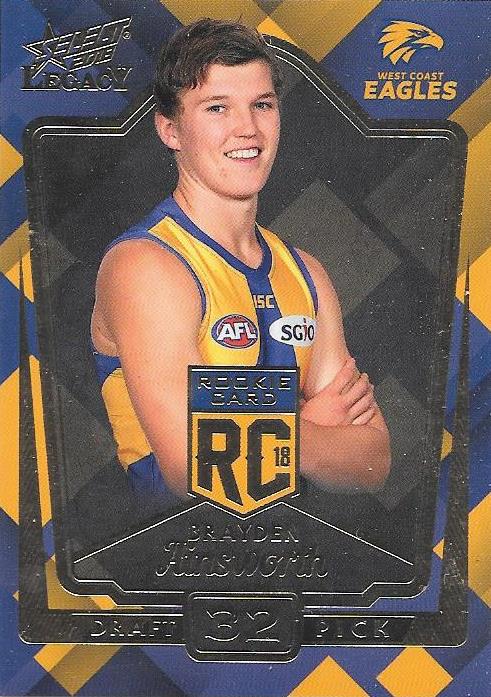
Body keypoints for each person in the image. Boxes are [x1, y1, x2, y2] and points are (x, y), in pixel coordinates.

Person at [90, 19, 390, 501]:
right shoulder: (145, 266)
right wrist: (306, 424)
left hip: (290, 545)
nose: (247, 129)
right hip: (174, 547)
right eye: (217, 108)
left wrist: (268, 430)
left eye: (262, 105)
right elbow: (191, 468)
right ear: (170, 130)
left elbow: (374, 461)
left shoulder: (306, 273)